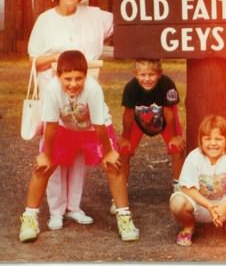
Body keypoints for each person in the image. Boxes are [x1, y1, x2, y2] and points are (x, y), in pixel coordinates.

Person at [27, 0, 122, 230]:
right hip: (55, 98)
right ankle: (56, 210)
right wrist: (58, 57)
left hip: (86, 98)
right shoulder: (45, 20)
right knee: (55, 153)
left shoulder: (95, 16)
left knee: (79, 153)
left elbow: (126, 22)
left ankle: (73, 207)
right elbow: (33, 61)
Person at [19, 50, 139, 243]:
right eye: (68, 79)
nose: (73, 84)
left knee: (113, 165)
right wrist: (46, 155)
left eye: (78, 78)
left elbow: (99, 125)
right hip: (65, 128)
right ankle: (29, 219)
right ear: (58, 76)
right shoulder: (52, 89)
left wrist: (108, 152)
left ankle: (124, 217)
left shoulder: (93, 89)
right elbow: (51, 126)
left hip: (93, 130)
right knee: (42, 167)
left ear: (86, 76)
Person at [169, 115, 226, 247]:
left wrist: (224, 206)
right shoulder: (194, 157)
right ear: (200, 140)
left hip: (224, 207)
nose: (213, 143)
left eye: (218, 139)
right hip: (199, 206)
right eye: (207, 139)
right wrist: (209, 206)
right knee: (177, 203)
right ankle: (189, 227)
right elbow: (186, 188)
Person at [113, 59, 186, 213]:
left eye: (151, 75)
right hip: (139, 118)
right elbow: (128, 114)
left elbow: (169, 112)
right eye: (143, 75)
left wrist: (174, 136)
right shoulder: (131, 87)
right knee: (124, 151)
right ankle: (120, 192)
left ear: (159, 74)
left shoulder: (166, 84)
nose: (147, 79)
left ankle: (179, 187)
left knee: (177, 147)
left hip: (164, 119)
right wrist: (125, 137)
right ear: (135, 74)